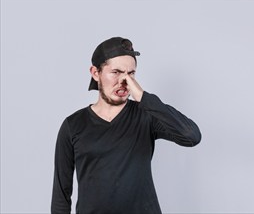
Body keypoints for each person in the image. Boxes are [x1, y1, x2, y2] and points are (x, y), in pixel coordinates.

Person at [51, 37, 201, 214]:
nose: (124, 81)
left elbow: (191, 136)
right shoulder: (73, 125)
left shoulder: (146, 115)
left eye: (130, 74)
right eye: (116, 72)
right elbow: (61, 195)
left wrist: (143, 97)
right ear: (95, 73)